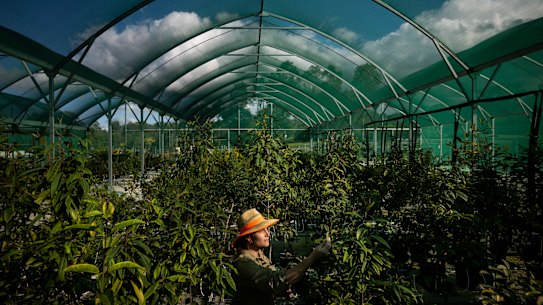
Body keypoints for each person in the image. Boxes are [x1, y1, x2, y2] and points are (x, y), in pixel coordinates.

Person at [231, 208, 331, 305]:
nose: (267, 233)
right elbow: (275, 281)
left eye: (267, 229)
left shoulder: (259, 255)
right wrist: (313, 257)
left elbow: (274, 280)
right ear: (249, 238)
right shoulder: (242, 263)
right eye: (261, 231)